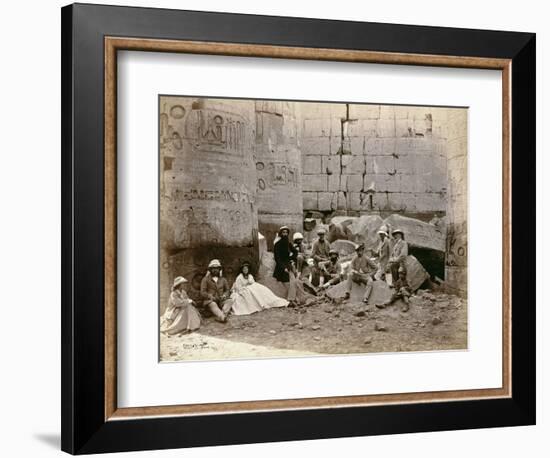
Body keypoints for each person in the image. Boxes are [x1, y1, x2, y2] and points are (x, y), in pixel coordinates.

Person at [273, 226, 300, 304]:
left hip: (288, 264)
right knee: (289, 281)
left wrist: (291, 258)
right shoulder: (277, 244)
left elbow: (295, 252)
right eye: (283, 232)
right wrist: (283, 267)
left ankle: (291, 299)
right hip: (280, 266)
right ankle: (291, 300)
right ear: (281, 234)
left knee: (293, 281)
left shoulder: (288, 243)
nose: (285, 234)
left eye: (286, 233)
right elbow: (277, 259)